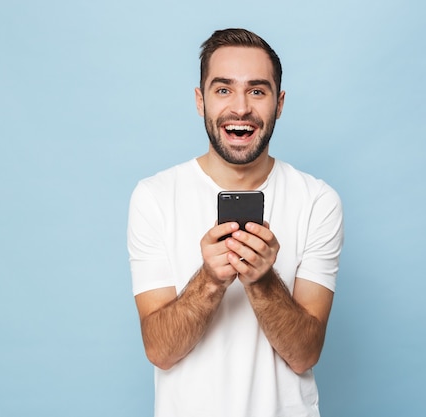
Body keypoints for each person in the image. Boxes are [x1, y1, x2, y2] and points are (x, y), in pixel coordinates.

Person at [127, 28, 344, 417]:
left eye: (257, 91)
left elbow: (305, 354)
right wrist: (210, 279)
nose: (240, 108)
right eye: (223, 90)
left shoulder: (318, 201)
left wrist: (261, 281)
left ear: (279, 104)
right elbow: (159, 351)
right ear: (200, 101)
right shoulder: (154, 197)